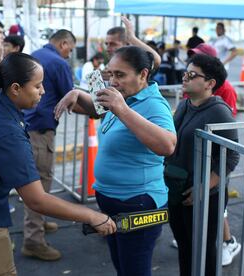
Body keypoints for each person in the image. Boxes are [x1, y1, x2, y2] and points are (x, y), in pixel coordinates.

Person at [0, 52, 116, 276]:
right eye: (38, 86)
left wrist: (79, 95)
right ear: (16, 88)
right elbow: (36, 200)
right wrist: (92, 215)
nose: (44, 91)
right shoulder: (7, 134)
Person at [55, 46, 177, 276]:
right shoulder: (124, 96)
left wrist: (122, 109)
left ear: (143, 74)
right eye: (110, 74)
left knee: (134, 269)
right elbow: (99, 108)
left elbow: (167, 145)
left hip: (138, 202)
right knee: (122, 264)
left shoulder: (153, 104)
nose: (113, 81)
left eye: (120, 75)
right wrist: (78, 94)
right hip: (112, 200)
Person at [164, 54, 239, 276]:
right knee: (185, 248)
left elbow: (232, 156)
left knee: (203, 253)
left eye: (191, 74)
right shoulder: (185, 104)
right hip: (178, 188)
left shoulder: (219, 111)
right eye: (185, 72)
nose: (184, 77)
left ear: (210, 83)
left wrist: (203, 187)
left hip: (205, 196)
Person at [22, 29, 77, 261]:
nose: (69, 54)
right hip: (40, 131)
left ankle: (40, 223)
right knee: (40, 186)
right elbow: (72, 97)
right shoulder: (59, 63)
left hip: (26, 126)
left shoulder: (34, 55)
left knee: (35, 182)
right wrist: (100, 111)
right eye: (71, 49)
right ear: (63, 43)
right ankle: (33, 240)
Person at [187, 43, 239, 266]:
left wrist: (209, 181)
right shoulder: (189, 98)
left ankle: (228, 242)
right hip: (195, 174)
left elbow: (230, 148)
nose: (186, 76)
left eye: (193, 72)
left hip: (212, 171)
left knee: (218, 213)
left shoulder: (222, 96)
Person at [102, 17, 161, 81]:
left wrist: (132, 38)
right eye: (106, 44)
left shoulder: (134, 63)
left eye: (113, 44)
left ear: (127, 44)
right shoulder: (108, 66)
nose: (108, 48)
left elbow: (156, 60)